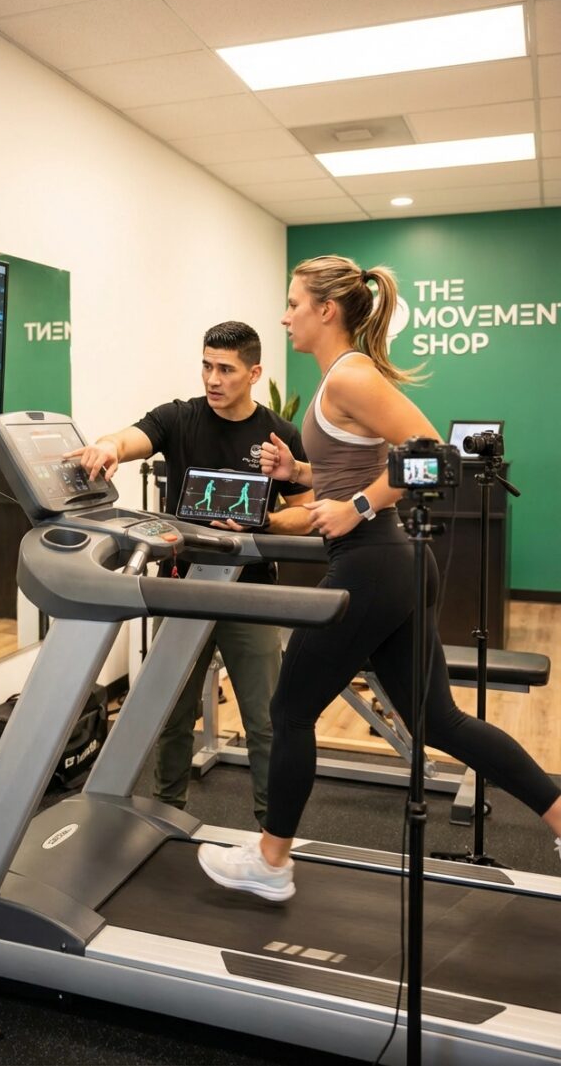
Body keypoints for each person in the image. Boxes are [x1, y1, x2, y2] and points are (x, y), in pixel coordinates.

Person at [198, 255, 561, 900]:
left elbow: (436, 456)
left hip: (373, 564)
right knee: (438, 723)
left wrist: (358, 506)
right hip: (391, 565)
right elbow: (350, 466)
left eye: (293, 303)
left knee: (290, 709)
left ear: (325, 310)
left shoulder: (350, 376)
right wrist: (300, 476)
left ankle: (272, 862)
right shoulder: (337, 379)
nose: (284, 316)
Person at [68, 320, 312, 827]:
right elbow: (131, 438)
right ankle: (164, 818)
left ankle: (273, 834)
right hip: (183, 589)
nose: (213, 378)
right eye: (206, 365)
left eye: (225, 369)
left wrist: (264, 522)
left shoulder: (279, 434)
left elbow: (308, 511)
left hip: (249, 593)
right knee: (172, 716)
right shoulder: (179, 419)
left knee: (265, 723)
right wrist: (109, 447)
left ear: (254, 372)